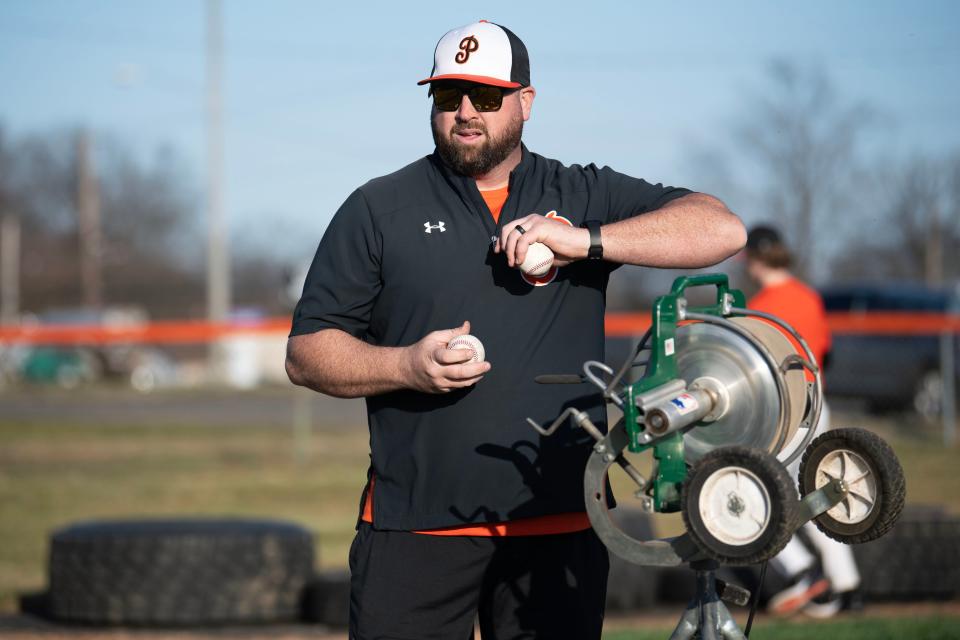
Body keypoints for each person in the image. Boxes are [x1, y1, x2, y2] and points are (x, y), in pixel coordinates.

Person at [286, 20, 746, 639]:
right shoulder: (379, 207)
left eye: (485, 95)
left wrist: (586, 241)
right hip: (417, 523)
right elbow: (307, 352)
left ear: (525, 102)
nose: (466, 112)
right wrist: (405, 366)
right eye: (449, 96)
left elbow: (721, 229)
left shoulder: (580, 191)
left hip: (560, 520)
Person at [743, 225, 862, 618]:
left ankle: (802, 570)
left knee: (754, 493)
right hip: (816, 400)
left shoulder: (759, 304)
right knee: (821, 491)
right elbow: (824, 355)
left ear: (753, 258)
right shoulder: (809, 297)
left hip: (781, 408)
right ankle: (847, 585)